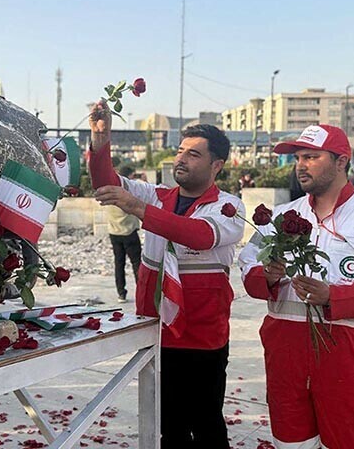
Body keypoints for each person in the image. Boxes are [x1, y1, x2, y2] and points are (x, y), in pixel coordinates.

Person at [238, 124, 354, 448]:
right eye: (298, 157)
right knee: (291, 441)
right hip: (285, 350)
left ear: (342, 161)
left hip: (347, 350)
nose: (300, 164)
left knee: (353, 440)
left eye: (311, 156)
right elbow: (248, 265)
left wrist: (334, 295)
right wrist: (268, 276)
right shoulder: (284, 215)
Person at [88, 101, 244, 448]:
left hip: (203, 335)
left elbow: (199, 235)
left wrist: (138, 208)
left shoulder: (229, 207)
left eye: (193, 154)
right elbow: (106, 184)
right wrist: (101, 141)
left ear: (217, 165)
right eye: (180, 151)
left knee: (206, 426)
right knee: (169, 427)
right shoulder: (158, 195)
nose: (181, 159)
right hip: (159, 328)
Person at [106, 166, 142, 303]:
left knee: (119, 263)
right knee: (137, 263)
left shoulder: (110, 192)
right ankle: (141, 291)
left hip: (114, 232)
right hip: (129, 232)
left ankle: (121, 293)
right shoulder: (126, 194)